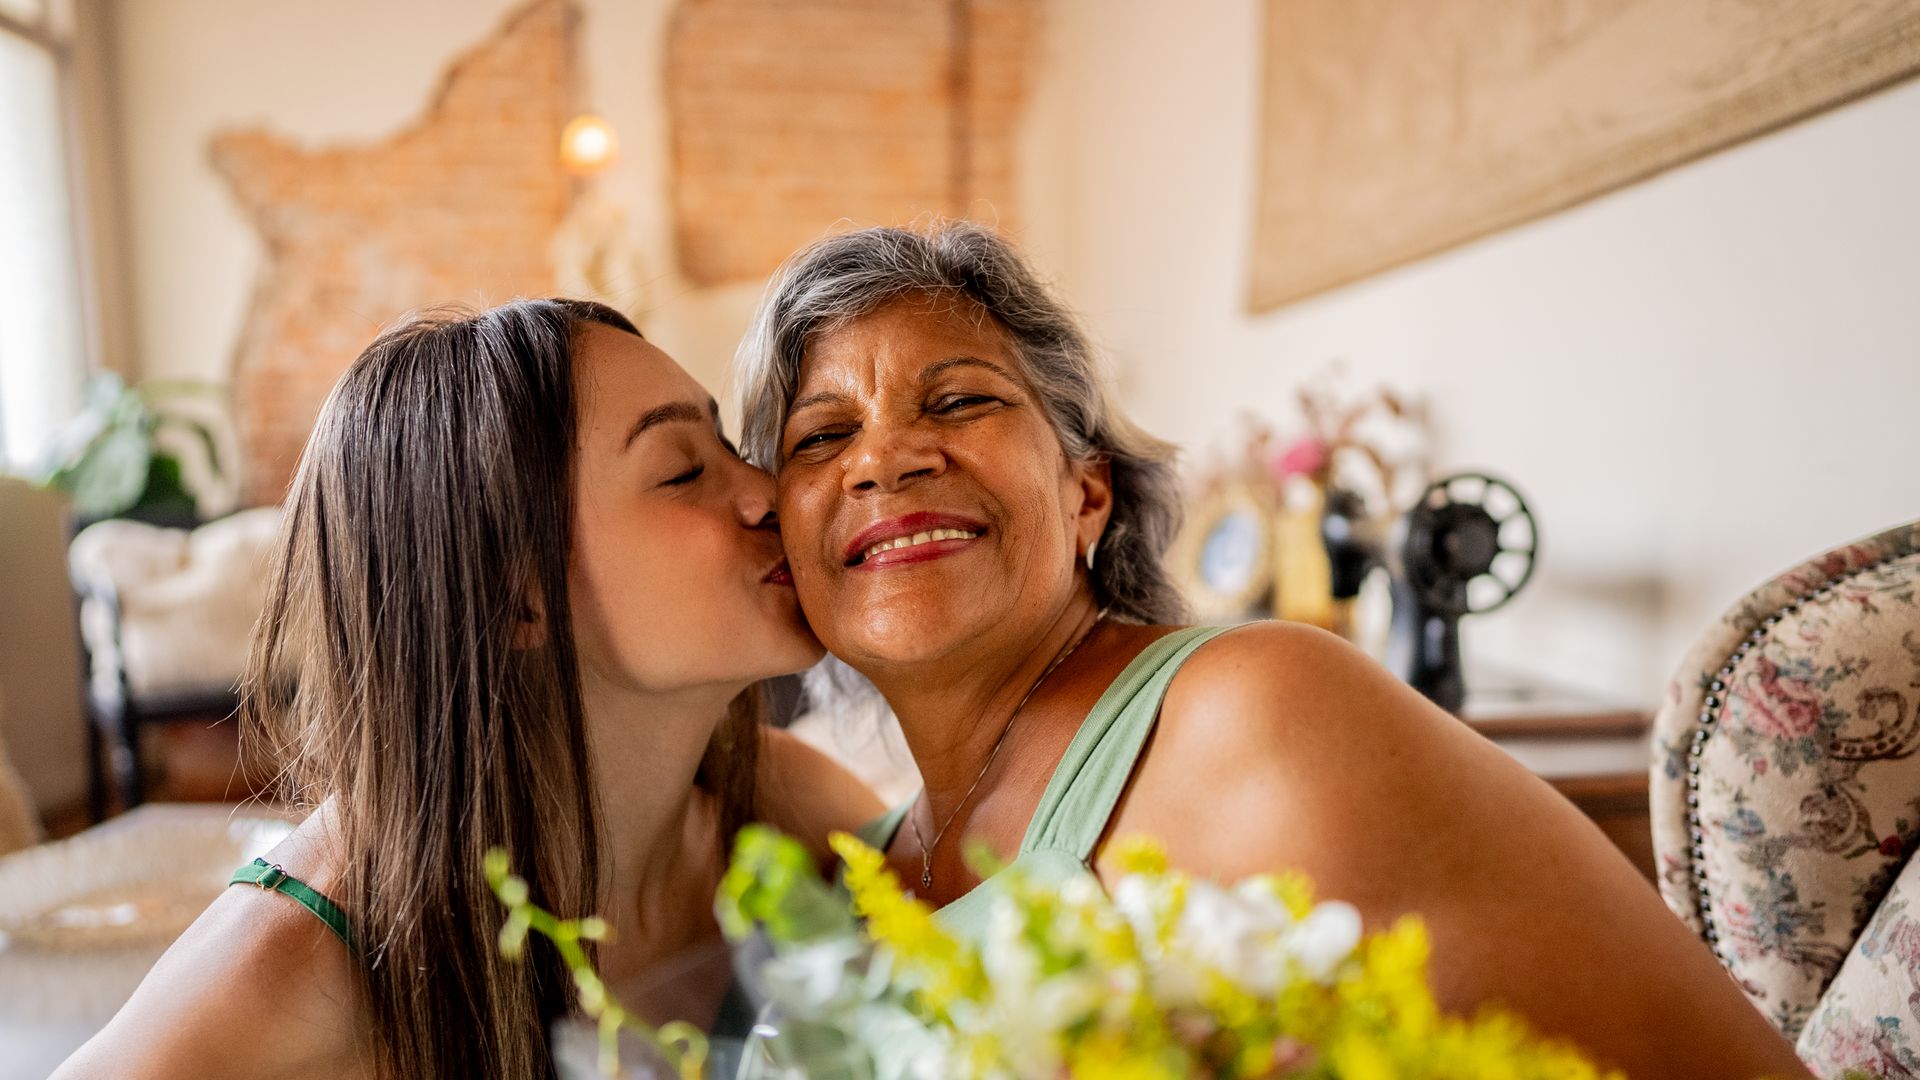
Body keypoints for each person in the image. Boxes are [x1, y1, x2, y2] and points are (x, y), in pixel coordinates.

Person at [733, 222, 1813, 1080]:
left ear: (1087, 493)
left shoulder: (1252, 717)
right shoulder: (850, 853)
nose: (884, 458)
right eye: (821, 437)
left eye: (959, 400)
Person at [56, 299, 880, 1079]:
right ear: (512, 591)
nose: (765, 492)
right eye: (679, 472)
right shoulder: (303, 963)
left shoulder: (779, 811)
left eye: (730, 447)